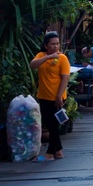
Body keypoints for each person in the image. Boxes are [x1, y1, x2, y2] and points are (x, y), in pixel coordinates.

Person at [30, 31, 70, 161]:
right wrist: (49, 57)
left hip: (56, 97)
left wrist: (59, 96)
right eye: (53, 44)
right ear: (46, 45)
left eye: (57, 44)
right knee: (49, 123)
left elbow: (65, 78)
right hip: (43, 95)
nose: (56, 46)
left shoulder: (62, 58)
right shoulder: (41, 55)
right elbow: (33, 65)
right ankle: (58, 151)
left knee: (53, 125)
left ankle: (50, 153)